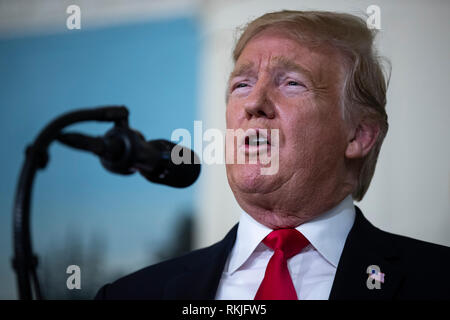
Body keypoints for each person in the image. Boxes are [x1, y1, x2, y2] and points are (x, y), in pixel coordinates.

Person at [95, 10, 450, 300]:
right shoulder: (133, 294)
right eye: (242, 85)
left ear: (359, 134)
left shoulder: (436, 281)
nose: (254, 103)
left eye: (292, 83)